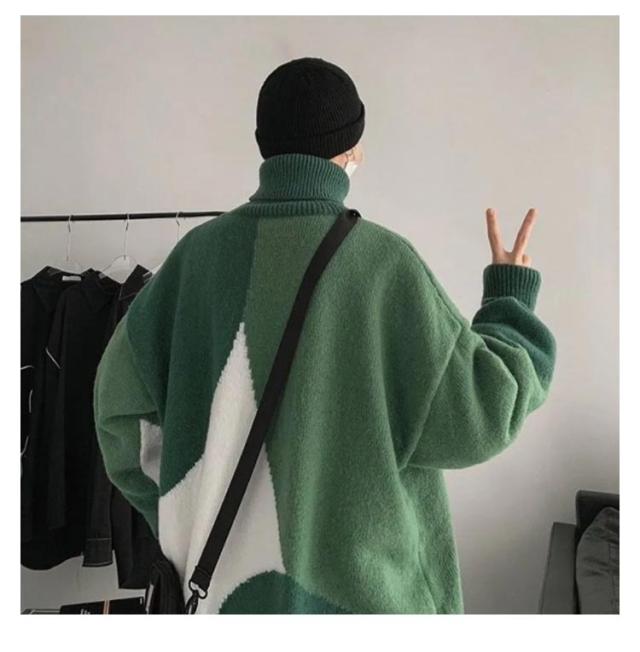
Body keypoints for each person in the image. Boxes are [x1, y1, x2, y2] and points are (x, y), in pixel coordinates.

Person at [93, 56, 556, 614]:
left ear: (263, 144)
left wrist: (181, 510)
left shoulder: (195, 259)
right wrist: (509, 302)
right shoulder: (384, 266)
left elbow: (118, 413)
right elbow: (483, 414)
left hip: (224, 604)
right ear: (353, 150)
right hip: (366, 604)